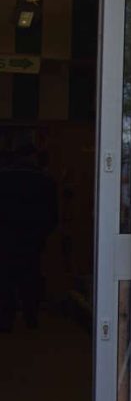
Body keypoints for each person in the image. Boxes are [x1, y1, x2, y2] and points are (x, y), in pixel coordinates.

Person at [0, 139, 57, 331]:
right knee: (30, 277)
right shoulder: (44, 180)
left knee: (6, 279)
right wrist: (41, 234)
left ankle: (6, 319)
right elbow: (52, 214)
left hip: (6, 238)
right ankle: (30, 317)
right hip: (32, 239)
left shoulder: (4, 178)